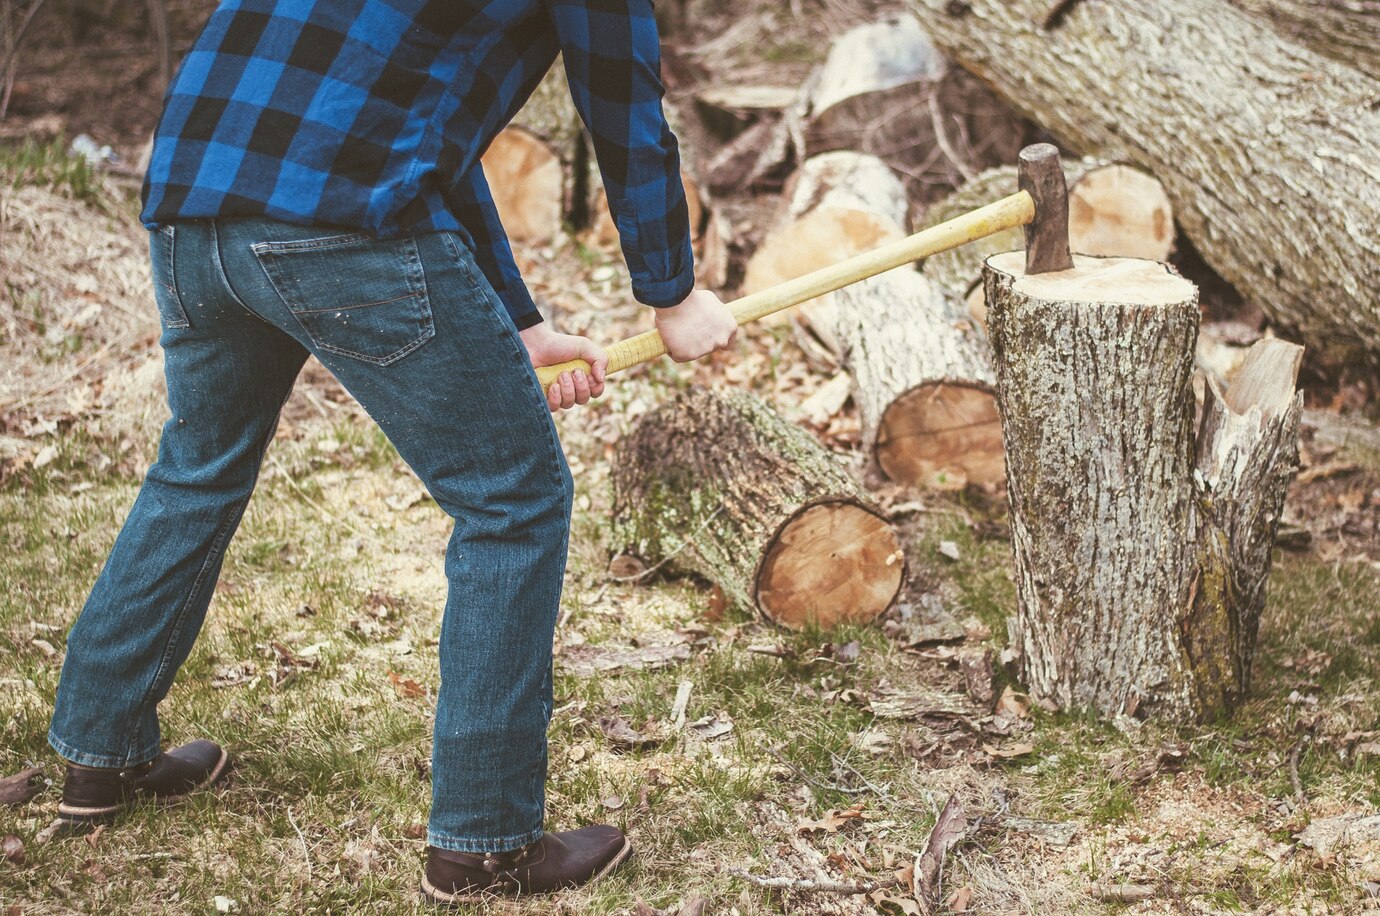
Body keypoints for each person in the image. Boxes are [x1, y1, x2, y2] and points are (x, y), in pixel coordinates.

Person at [45, 0, 738, 903]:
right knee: (511, 501)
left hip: (192, 205)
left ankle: (101, 756)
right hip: (335, 220)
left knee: (197, 467)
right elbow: (622, 103)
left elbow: (415, 130)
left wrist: (520, 321)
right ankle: (484, 844)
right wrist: (673, 292)